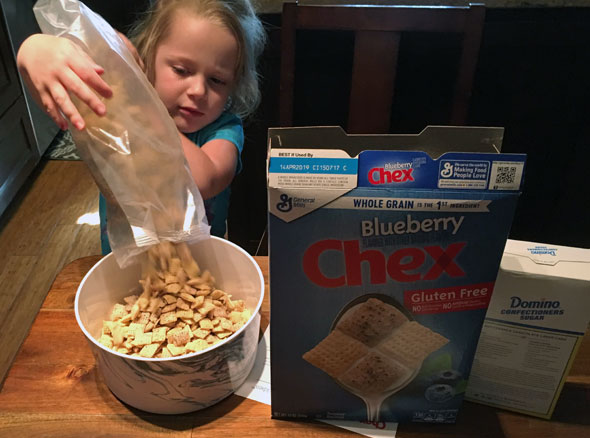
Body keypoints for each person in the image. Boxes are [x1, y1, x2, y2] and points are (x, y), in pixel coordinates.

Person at [16, 0, 266, 253]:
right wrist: (32, 52)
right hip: (124, 270)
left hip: (205, 270)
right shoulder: (115, 119)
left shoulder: (224, 129)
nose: (199, 91)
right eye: (181, 70)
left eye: (217, 80)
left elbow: (204, 179)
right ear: (148, 56)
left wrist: (140, 106)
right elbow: (59, 100)